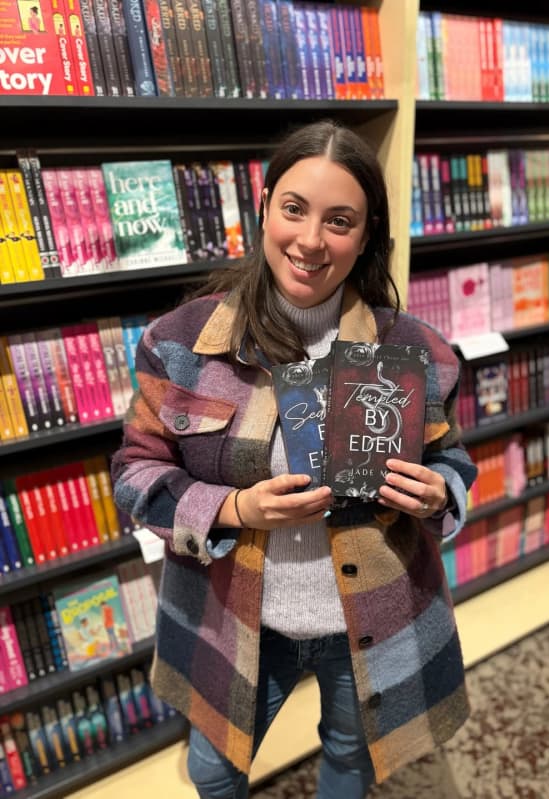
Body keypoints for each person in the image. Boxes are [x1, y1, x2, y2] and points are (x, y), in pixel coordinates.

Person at [111, 119, 478, 799]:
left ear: (366, 235)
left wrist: (437, 492)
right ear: (265, 207)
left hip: (366, 618)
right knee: (213, 767)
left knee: (351, 752)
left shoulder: (415, 349)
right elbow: (133, 474)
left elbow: (454, 460)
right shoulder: (181, 342)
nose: (311, 240)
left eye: (340, 220)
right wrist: (234, 507)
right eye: (294, 209)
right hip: (235, 618)